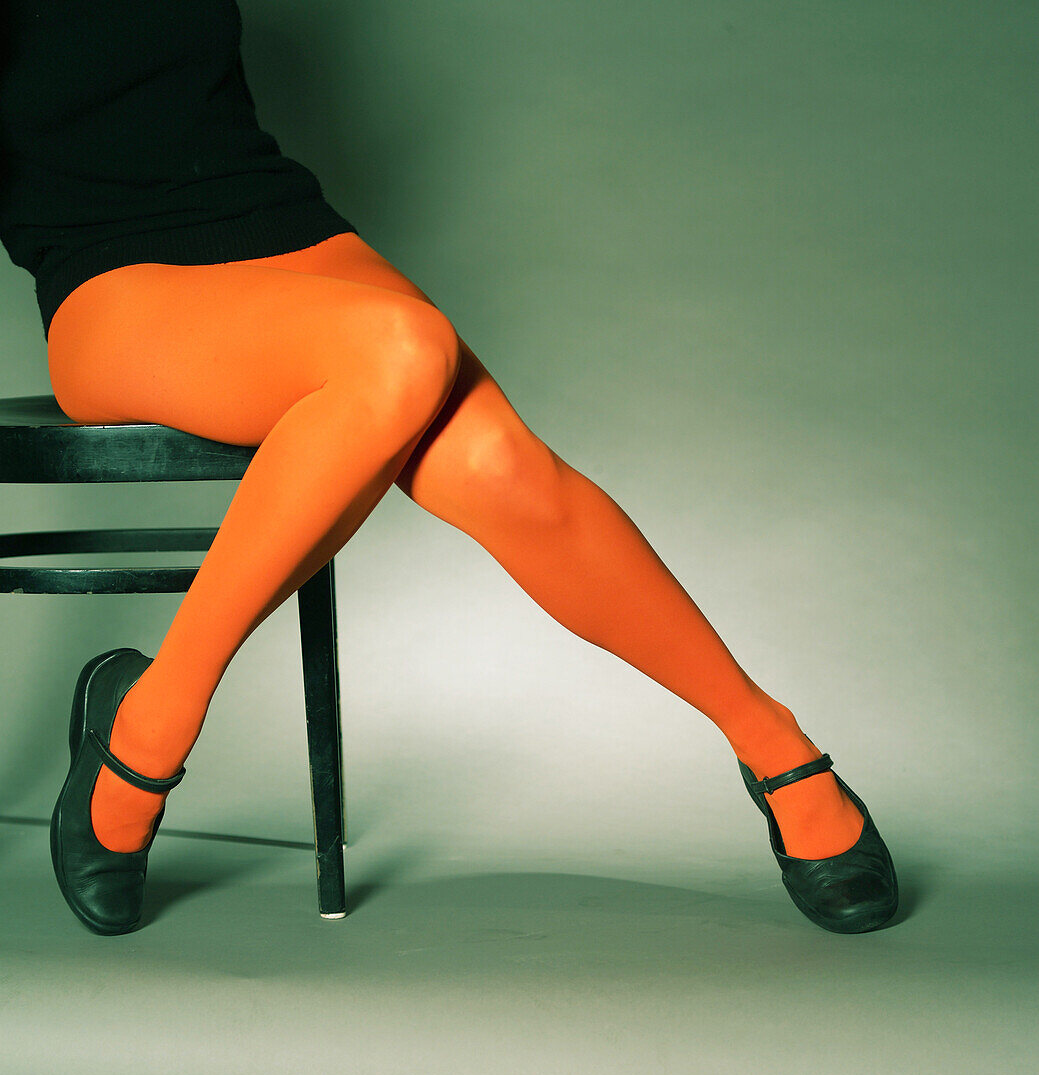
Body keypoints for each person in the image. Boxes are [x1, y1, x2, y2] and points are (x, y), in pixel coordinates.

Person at [0, 1, 897, 937]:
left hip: (286, 233)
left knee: (499, 463)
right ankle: (152, 733)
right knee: (402, 348)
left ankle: (774, 745)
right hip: (111, 283)